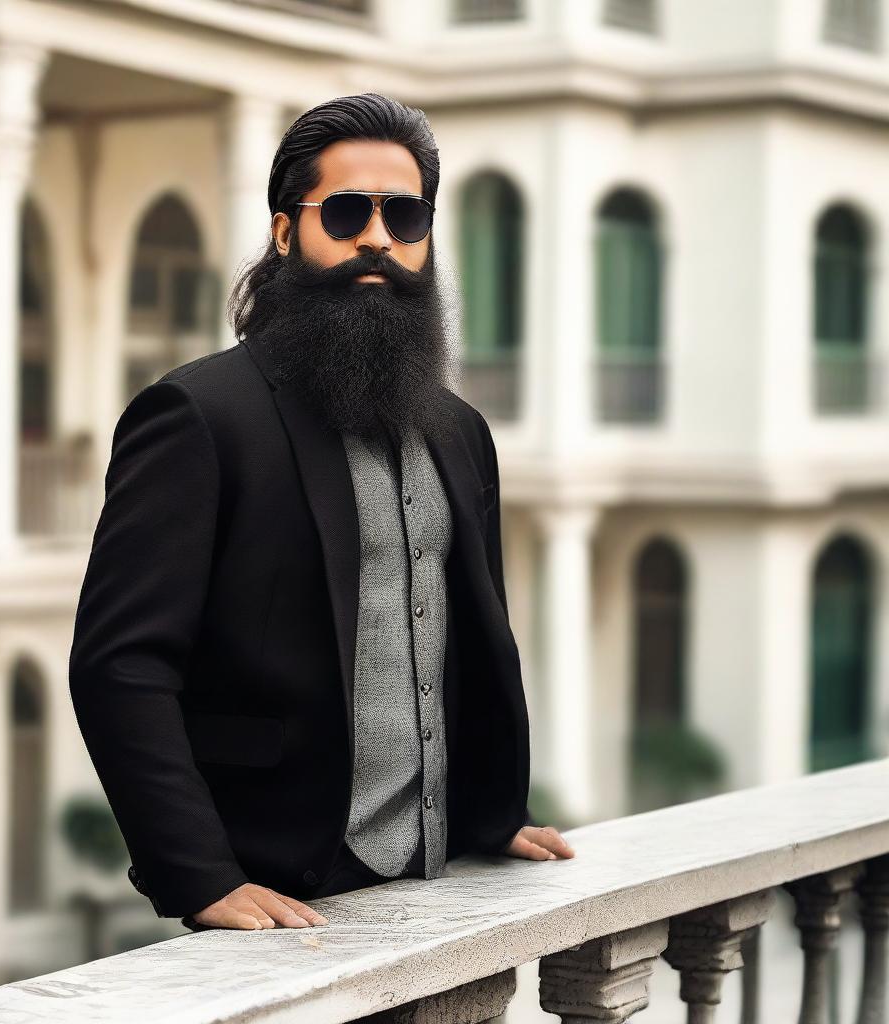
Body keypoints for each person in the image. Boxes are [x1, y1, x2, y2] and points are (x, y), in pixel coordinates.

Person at [68, 92, 574, 936]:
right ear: (282, 232)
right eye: (346, 212)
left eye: (404, 215)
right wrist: (198, 876)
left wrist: (491, 813)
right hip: (283, 885)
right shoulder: (195, 416)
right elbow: (121, 665)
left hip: (439, 879)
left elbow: (469, 640)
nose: (378, 236)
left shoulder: (461, 430)